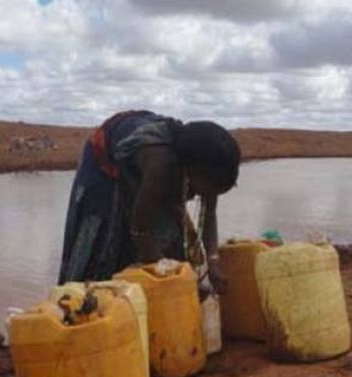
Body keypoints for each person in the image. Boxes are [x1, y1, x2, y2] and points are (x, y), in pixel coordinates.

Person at [58, 110, 240, 292]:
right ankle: (92, 300)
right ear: (192, 171)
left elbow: (208, 215)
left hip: (156, 171)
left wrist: (213, 262)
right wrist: (173, 279)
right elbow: (140, 230)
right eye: (206, 191)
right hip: (106, 168)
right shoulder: (159, 164)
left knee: (174, 242)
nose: (205, 197)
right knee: (108, 244)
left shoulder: (211, 170)